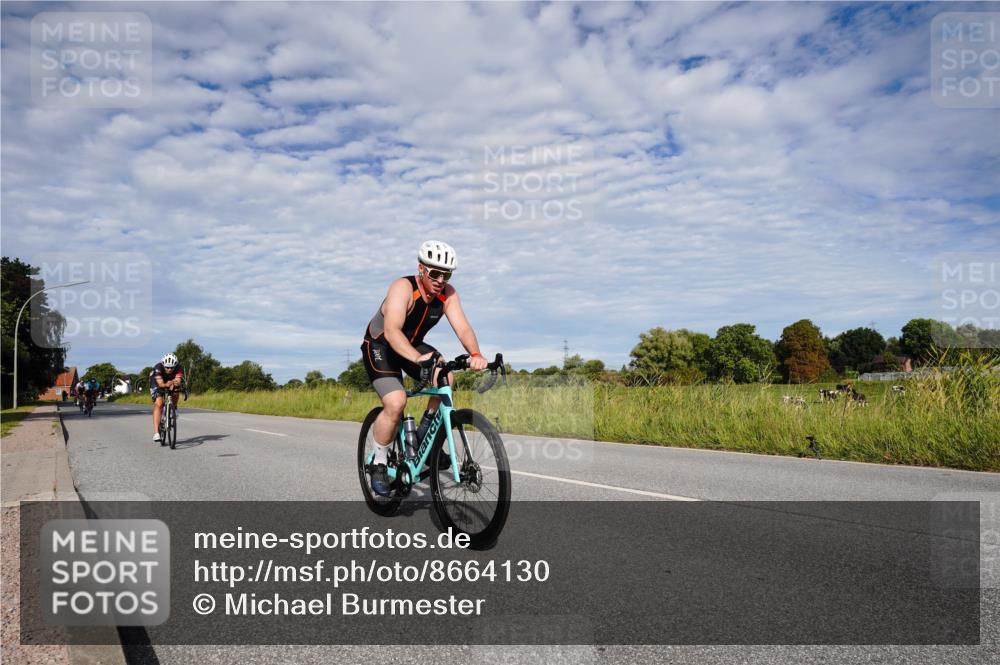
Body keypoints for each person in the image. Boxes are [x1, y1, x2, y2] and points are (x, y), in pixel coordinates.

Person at [361, 240, 488, 496]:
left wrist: (475, 354)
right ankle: (379, 463)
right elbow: (392, 331)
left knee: (446, 378)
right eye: (435, 273)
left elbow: (463, 328)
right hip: (381, 346)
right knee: (396, 402)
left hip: (411, 345)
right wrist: (418, 359)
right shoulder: (402, 287)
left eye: (446, 274)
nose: (441, 279)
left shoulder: (448, 294)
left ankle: (424, 438)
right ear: (421, 269)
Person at [150, 353, 185, 443]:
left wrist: (175, 383)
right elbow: (161, 384)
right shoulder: (158, 367)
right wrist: (167, 384)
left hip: (170, 380)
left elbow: (178, 381)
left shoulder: (179, 368)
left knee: (176, 390)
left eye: (171, 368)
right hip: (157, 382)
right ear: (163, 365)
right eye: (167, 367)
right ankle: (156, 433)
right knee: (159, 403)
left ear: (175, 366)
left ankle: (173, 409)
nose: (169, 369)